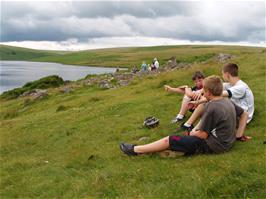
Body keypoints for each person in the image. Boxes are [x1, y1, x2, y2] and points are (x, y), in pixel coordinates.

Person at [120, 76, 244, 156]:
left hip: (215, 145)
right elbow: (243, 113)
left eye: (203, 91)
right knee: (186, 136)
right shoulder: (226, 101)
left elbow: (202, 135)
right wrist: (238, 135)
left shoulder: (212, 107)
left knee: (171, 139)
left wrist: (190, 133)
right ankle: (164, 149)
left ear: (208, 92)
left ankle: (135, 150)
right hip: (228, 141)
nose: (201, 93)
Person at [180, 63, 254, 141]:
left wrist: (198, 102)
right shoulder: (229, 84)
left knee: (209, 105)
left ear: (227, 74)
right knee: (209, 104)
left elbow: (215, 95)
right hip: (233, 112)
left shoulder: (241, 87)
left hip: (239, 118)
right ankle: (190, 127)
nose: (222, 76)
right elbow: (211, 87)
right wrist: (200, 91)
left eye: (222, 74)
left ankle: (193, 131)